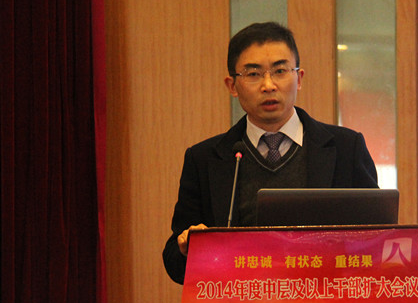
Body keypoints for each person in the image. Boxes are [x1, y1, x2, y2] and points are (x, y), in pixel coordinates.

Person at [162, 22, 379, 284]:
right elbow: (174, 260)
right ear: (232, 86)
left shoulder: (347, 148)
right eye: (253, 74)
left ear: (299, 78)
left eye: (280, 71)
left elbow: (380, 236)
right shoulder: (204, 159)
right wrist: (188, 247)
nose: (268, 85)